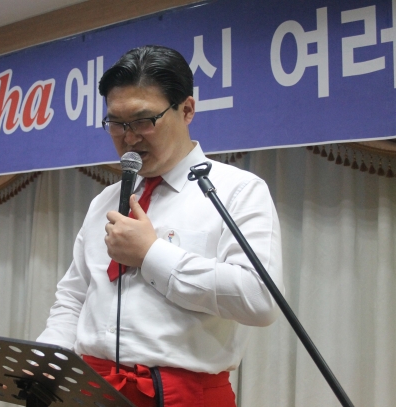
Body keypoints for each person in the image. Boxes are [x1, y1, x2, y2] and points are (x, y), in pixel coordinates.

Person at [37, 45, 284, 407]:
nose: (129, 137)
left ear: (187, 109)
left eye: (143, 120)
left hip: (186, 396)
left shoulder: (237, 190)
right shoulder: (105, 200)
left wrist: (151, 254)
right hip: (91, 389)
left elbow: (260, 299)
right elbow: (74, 296)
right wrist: (48, 357)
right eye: (116, 123)